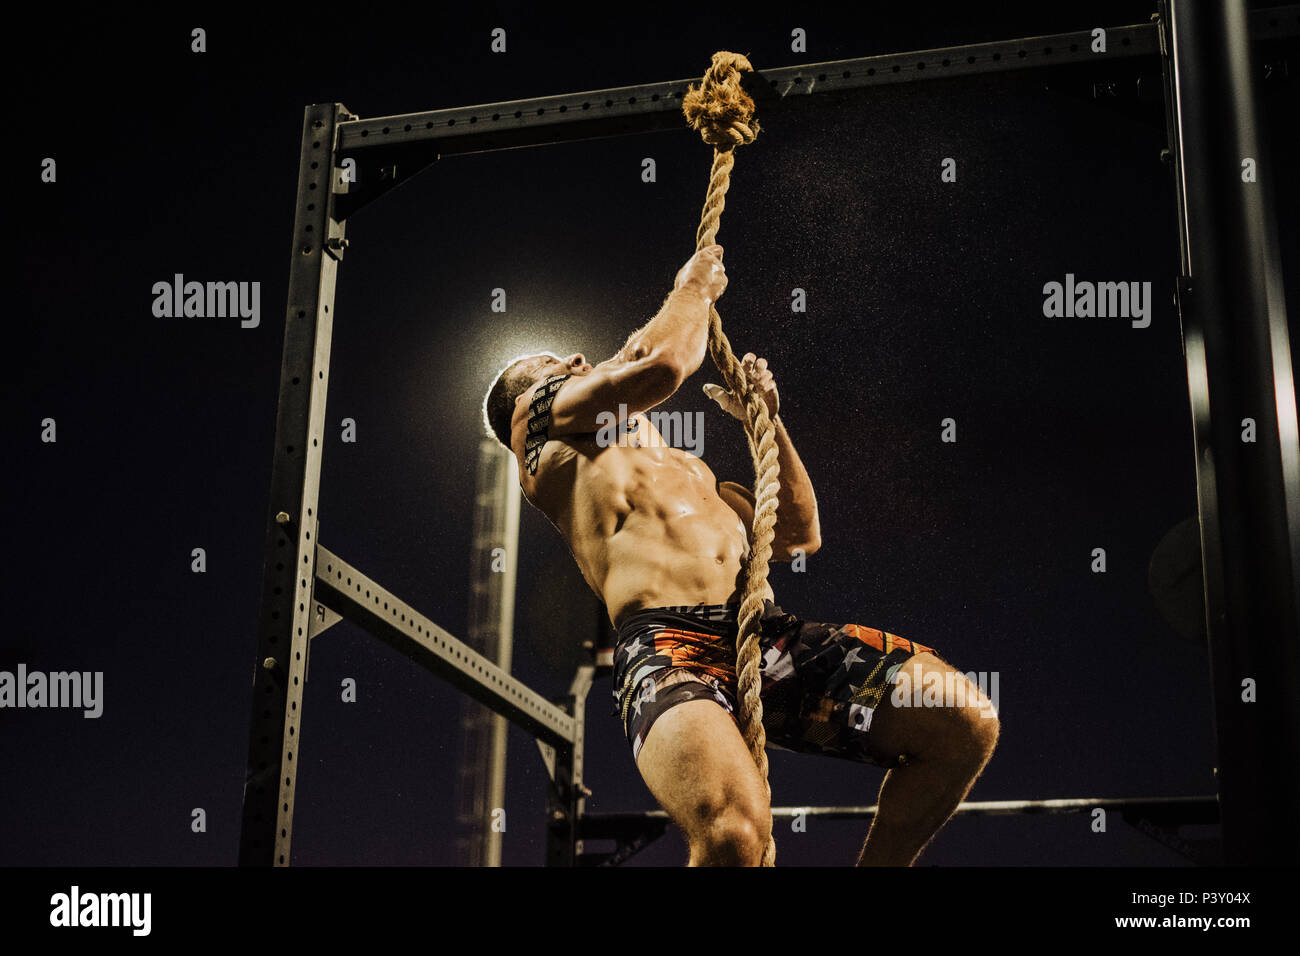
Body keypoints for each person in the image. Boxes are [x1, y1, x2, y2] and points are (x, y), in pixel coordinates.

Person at [482, 245, 999, 865]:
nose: (573, 358)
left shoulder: (695, 475)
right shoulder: (537, 429)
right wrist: (692, 285)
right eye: (552, 363)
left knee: (962, 723)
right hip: (669, 649)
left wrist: (769, 421)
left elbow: (800, 535)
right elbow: (665, 365)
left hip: (766, 640)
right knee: (734, 835)